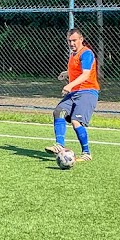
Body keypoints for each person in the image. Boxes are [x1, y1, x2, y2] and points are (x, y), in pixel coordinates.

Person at [44, 27, 100, 161]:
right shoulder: (73, 55)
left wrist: (69, 85)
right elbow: (78, 70)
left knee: (76, 121)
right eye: (69, 41)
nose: (72, 44)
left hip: (87, 91)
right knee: (59, 111)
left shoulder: (86, 53)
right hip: (75, 92)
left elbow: (86, 74)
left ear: (81, 39)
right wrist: (67, 73)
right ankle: (59, 146)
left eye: (74, 40)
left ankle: (86, 153)